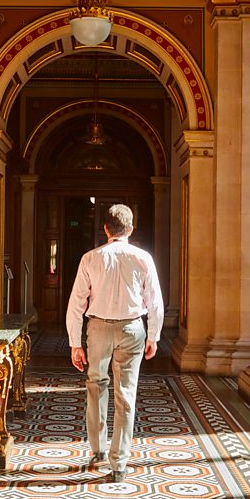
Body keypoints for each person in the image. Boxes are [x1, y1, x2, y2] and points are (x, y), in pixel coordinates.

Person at [66, 204, 164, 483]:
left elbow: (76, 303)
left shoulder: (90, 258)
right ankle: (119, 463)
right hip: (133, 329)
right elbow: (154, 301)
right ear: (131, 230)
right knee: (126, 395)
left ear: (106, 229)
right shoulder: (143, 258)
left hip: (97, 328)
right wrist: (154, 336)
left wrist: (75, 343)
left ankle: (97, 449)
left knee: (96, 386)